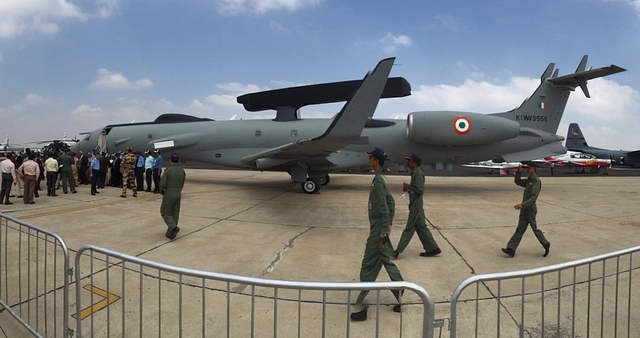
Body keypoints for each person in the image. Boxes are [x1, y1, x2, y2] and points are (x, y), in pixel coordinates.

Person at [350, 147, 404, 322]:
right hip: (378, 228)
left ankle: (363, 303)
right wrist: (388, 224)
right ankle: (400, 291)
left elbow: (383, 208)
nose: (369, 159)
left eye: (371, 157)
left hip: (377, 231)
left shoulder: (378, 181)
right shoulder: (378, 179)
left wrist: (382, 233)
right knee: (385, 261)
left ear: (376, 161)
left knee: (367, 265)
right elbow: (391, 202)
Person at [392, 153, 441, 259]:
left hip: (416, 204)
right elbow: (415, 189)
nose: (407, 163)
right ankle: (432, 248)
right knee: (421, 227)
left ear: (414, 162)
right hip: (415, 203)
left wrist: (409, 186)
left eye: (409, 161)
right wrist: (408, 189)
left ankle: (397, 251)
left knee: (409, 228)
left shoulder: (417, 174)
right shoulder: (415, 173)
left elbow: (420, 190)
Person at [502, 162, 551, 258]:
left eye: (529, 168)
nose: (527, 170)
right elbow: (518, 182)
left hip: (530, 209)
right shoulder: (529, 180)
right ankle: (511, 249)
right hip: (524, 209)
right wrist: (518, 172)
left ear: (534, 169)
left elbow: (533, 198)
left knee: (534, 228)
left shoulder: (536, 181)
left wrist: (522, 205)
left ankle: (545, 243)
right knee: (520, 229)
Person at [160, 153, 186, 240]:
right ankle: (170, 233)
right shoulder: (182, 171)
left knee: (165, 212)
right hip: (178, 192)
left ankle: (173, 227)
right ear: (178, 160)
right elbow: (182, 183)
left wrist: (161, 191)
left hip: (169, 192)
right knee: (175, 212)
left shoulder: (168, 170)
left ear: (170, 161)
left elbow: (162, 183)